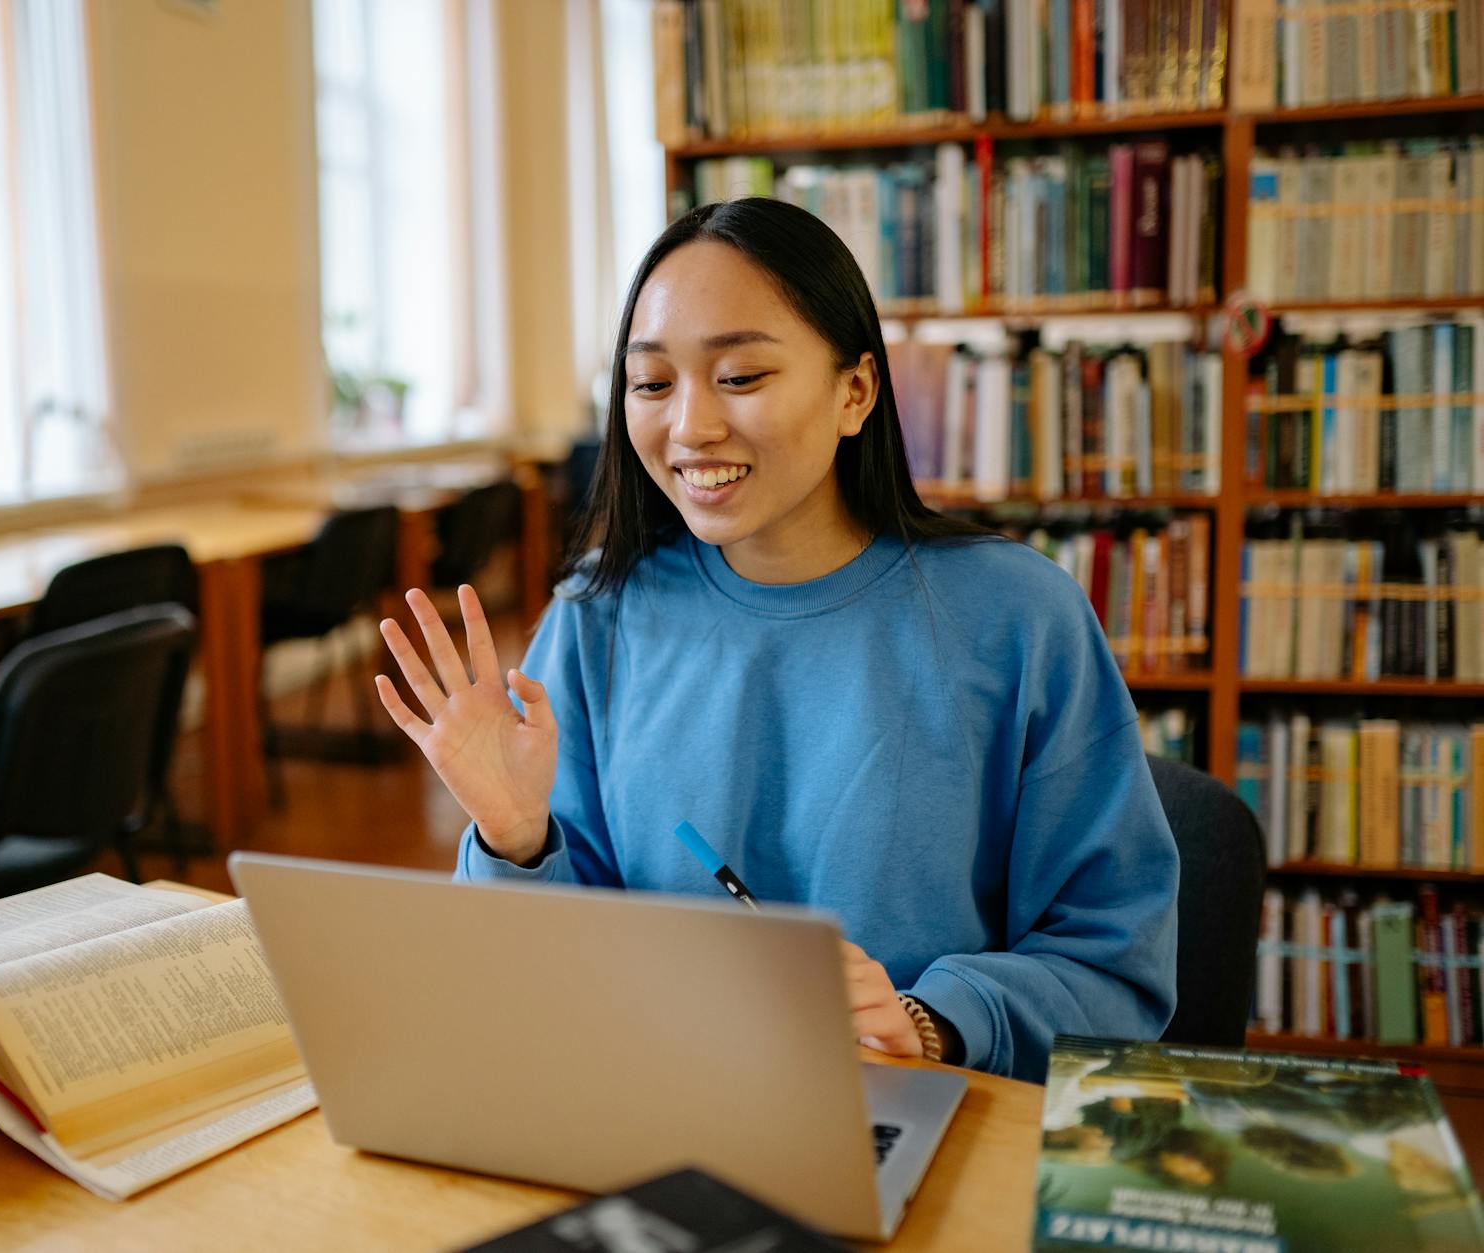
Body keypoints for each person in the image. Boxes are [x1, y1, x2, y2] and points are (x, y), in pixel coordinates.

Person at [373, 197, 1178, 1083]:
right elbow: (546, 985)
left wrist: (931, 1017)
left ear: (855, 391)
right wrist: (517, 839)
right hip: (661, 1097)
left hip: (924, 1109)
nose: (690, 427)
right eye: (652, 384)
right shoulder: (597, 613)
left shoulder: (1020, 617)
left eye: (741, 377)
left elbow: (1115, 962)